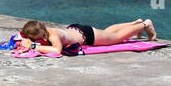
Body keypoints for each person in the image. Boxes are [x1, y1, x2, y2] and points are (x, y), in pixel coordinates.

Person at [18, 18, 157, 55]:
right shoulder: (42, 30)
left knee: (116, 38)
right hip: (76, 30)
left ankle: (145, 25)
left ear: (42, 32)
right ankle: (134, 24)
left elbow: (57, 50)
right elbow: (26, 38)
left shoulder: (53, 34)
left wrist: (34, 46)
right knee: (108, 32)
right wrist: (26, 41)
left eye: (36, 38)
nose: (35, 40)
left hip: (87, 35)